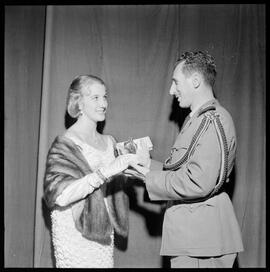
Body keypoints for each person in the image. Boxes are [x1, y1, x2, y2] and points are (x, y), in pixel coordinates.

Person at [131, 51, 244, 268]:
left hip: (203, 239)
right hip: (194, 237)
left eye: (176, 82)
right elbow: (183, 168)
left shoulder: (212, 119)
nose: (171, 90)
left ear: (195, 81)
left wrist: (149, 177)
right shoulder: (197, 120)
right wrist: (147, 166)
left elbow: (198, 181)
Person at [43, 75, 146, 268]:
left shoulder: (110, 142)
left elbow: (115, 187)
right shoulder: (65, 144)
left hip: (102, 230)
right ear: (78, 102)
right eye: (95, 98)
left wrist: (137, 165)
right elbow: (61, 196)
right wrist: (106, 172)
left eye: (105, 97)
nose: (103, 103)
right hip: (75, 231)